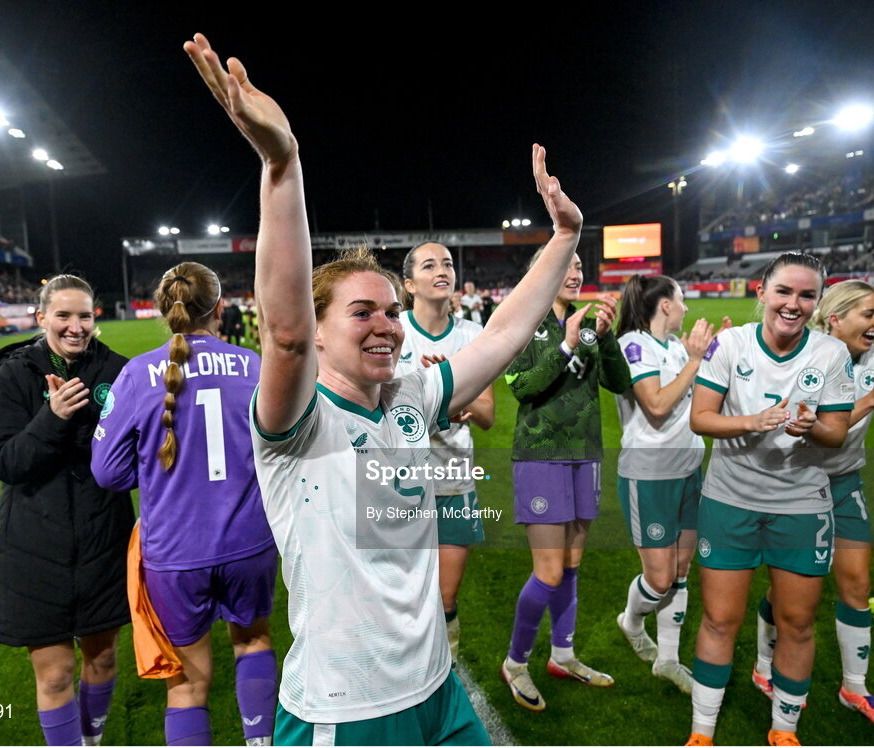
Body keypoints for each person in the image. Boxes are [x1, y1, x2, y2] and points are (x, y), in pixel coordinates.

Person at [185, 31, 584, 745]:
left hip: (437, 691)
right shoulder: (295, 421)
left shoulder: (411, 397)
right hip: (348, 710)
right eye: (361, 312)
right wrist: (283, 163)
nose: (387, 327)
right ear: (323, 329)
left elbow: (501, 337)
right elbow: (284, 334)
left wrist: (563, 239)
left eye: (392, 313)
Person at [91, 262, 278, 746]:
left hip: (175, 552)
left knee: (188, 685)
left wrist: (161, 471)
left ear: (161, 311)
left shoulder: (136, 374)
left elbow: (108, 472)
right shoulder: (255, 365)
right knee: (254, 642)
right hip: (249, 541)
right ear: (219, 308)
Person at [685, 252, 854, 747]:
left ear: (818, 302)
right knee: (719, 619)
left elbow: (837, 433)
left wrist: (814, 426)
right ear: (761, 292)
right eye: (783, 291)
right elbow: (701, 418)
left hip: (801, 506)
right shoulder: (729, 345)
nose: (793, 303)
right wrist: (751, 422)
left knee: (797, 623)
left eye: (806, 295)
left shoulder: (830, 354)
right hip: (729, 500)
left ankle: (783, 730)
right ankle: (702, 732)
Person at [752, 280, 874, 732]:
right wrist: (872, 399)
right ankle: (764, 663)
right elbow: (810, 425)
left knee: (857, 584)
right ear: (837, 316)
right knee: (788, 592)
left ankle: (855, 688)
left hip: (844, 484)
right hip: (798, 485)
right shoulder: (811, 356)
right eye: (869, 314)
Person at [0, 274, 132, 746]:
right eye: (63, 316)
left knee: (103, 660)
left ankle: (92, 740)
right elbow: (4, 461)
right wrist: (53, 418)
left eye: (84, 316)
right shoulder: (13, 376)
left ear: (96, 318)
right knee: (54, 674)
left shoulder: (120, 372)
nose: (75, 326)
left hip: (105, 539)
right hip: (34, 546)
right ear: (42, 317)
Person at [500, 250, 629, 711]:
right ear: (544, 272)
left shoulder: (589, 323)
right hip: (541, 457)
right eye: (566, 266)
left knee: (572, 564)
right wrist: (567, 347)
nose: (575, 272)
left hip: (585, 457)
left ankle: (563, 655)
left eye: (579, 267)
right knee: (549, 570)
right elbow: (521, 386)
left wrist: (607, 339)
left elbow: (619, 382)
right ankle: (516, 662)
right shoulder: (524, 323)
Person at [614, 274, 724, 694]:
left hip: (689, 471)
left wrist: (709, 358)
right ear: (663, 305)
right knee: (658, 579)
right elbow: (657, 405)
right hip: (650, 476)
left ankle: (669, 659)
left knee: (680, 570)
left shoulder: (676, 346)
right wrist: (696, 361)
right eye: (681, 300)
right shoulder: (633, 345)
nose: (686, 308)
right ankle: (632, 619)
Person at [397, 241, 495, 665]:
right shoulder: (393, 329)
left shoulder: (472, 336)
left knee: (446, 595)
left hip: (454, 480)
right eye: (430, 264)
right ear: (409, 283)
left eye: (449, 263)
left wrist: (454, 399)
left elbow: (488, 414)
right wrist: (424, 391)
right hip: (399, 485)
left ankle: (445, 676)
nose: (443, 270)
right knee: (402, 595)